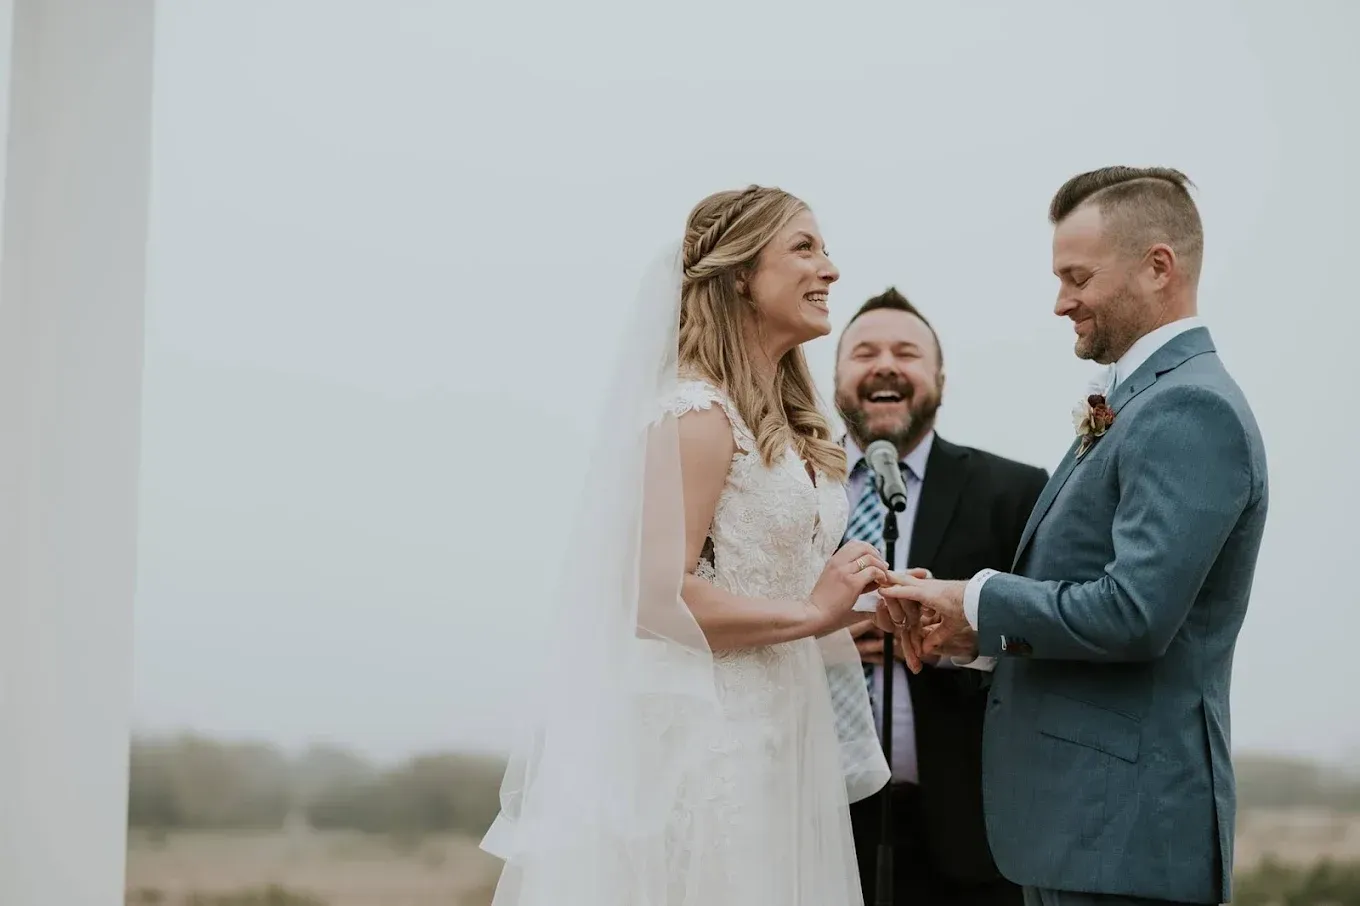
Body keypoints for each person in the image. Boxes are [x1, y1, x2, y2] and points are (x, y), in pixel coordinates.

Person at [480, 185, 897, 906]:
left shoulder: (792, 425)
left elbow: (770, 585)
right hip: (708, 743)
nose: (830, 270)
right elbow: (655, 599)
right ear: (739, 275)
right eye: (804, 248)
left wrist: (863, 609)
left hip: (783, 734)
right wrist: (812, 612)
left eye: (825, 251)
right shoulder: (697, 414)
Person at [877, 167, 1269, 906]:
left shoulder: (1189, 409)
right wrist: (972, 638)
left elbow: (1134, 614)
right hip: (1085, 836)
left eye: (1076, 277)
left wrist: (980, 600)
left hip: (1124, 836)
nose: (1061, 302)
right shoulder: (1144, 400)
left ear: (1159, 267)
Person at [833, 288, 1048, 906]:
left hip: (970, 842)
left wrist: (956, 640)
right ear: (838, 377)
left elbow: (1044, 639)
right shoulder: (790, 487)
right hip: (810, 821)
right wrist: (818, 641)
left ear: (940, 380)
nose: (885, 365)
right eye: (864, 352)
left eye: (907, 352)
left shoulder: (1014, 490)